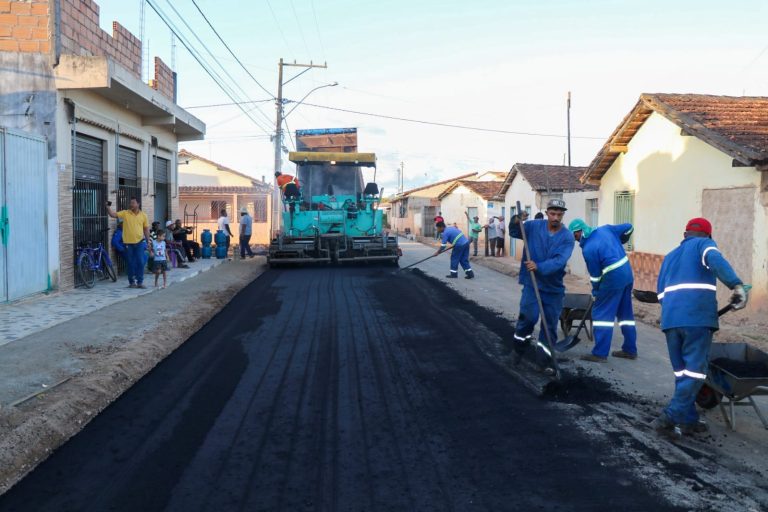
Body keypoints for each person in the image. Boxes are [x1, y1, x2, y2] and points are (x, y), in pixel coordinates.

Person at [652, 218, 748, 436]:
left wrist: (674, 312)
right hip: (696, 320)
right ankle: (671, 416)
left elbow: (660, 294)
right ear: (709, 235)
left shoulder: (669, 257)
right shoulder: (704, 245)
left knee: (683, 373)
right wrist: (737, 285)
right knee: (695, 373)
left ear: (685, 234)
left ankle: (687, 420)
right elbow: (715, 259)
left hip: (671, 321)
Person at [509, 199, 575, 367]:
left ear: (563, 215)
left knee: (549, 327)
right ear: (547, 213)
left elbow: (560, 261)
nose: (556, 217)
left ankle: (544, 361)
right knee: (528, 319)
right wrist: (517, 219)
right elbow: (515, 231)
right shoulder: (533, 226)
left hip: (553, 289)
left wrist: (539, 266)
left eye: (559, 214)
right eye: (552, 214)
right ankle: (517, 351)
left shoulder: (567, 237)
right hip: (532, 284)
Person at [568, 218, 637, 363]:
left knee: (602, 315)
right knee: (625, 314)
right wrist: (622, 240)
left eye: (575, 235)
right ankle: (630, 350)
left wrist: (596, 292)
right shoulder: (605, 229)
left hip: (612, 280)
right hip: (627, 275)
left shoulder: (589, 249)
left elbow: (596, 277)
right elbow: (629, 227)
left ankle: (600, 353)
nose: (575, 239)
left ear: (580, 231)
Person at [106, 197, 151, 289]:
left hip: (139, 242)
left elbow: (146, 229)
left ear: (138, 204)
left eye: (133, 203)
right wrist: (107, 207)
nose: (131, 204)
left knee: (140, 262)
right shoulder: (125, 213)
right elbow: (113, 215)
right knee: (130, 263)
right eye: (131, 203)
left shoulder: (143, 215)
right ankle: (131, 282)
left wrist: (148, 241)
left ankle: (140, 282)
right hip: (128, 244)